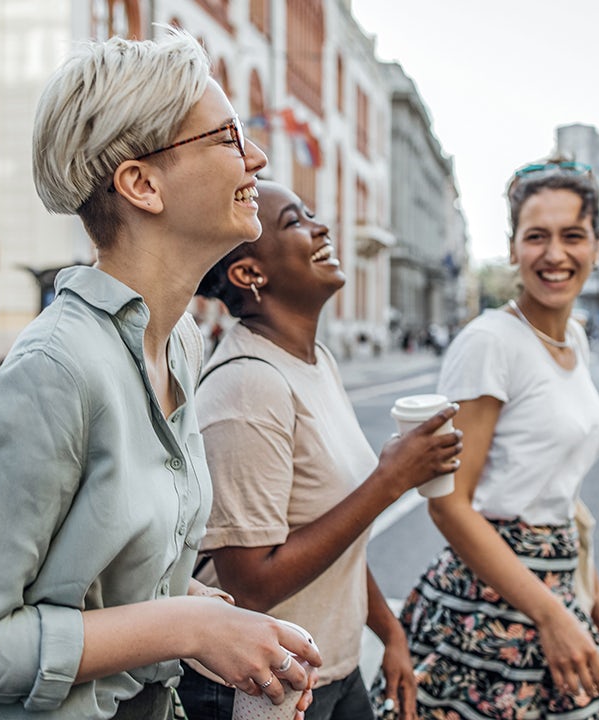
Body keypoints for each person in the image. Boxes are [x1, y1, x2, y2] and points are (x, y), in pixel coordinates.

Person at [0, 29, 321, 720]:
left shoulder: (178, 341)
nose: (258, 157)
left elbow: (116, 586)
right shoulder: (53, 373)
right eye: (227, 137)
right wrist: (186, 627)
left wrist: (216, 621)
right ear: (142, 184)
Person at [181, 181, 464, 720]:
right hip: (258, 688)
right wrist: (391, 480)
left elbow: (337, 535)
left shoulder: (317, 362)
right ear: (249, 274)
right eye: (295, 221)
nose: (322, 227)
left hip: (330, 668)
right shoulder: (248, 384)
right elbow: (250, 587)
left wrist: (389, 632)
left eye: (311, 214)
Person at [373, 158, 599, 720]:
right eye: (537, 237)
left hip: (555, 581)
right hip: (487, 604)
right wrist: (552, 615)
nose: (555, 254)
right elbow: (450, 506)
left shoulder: (575, 339)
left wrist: (589, 588)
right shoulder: (489, 342)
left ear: (596, 247)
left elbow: (552, 486)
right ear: (513, 249)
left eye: (572, 236)